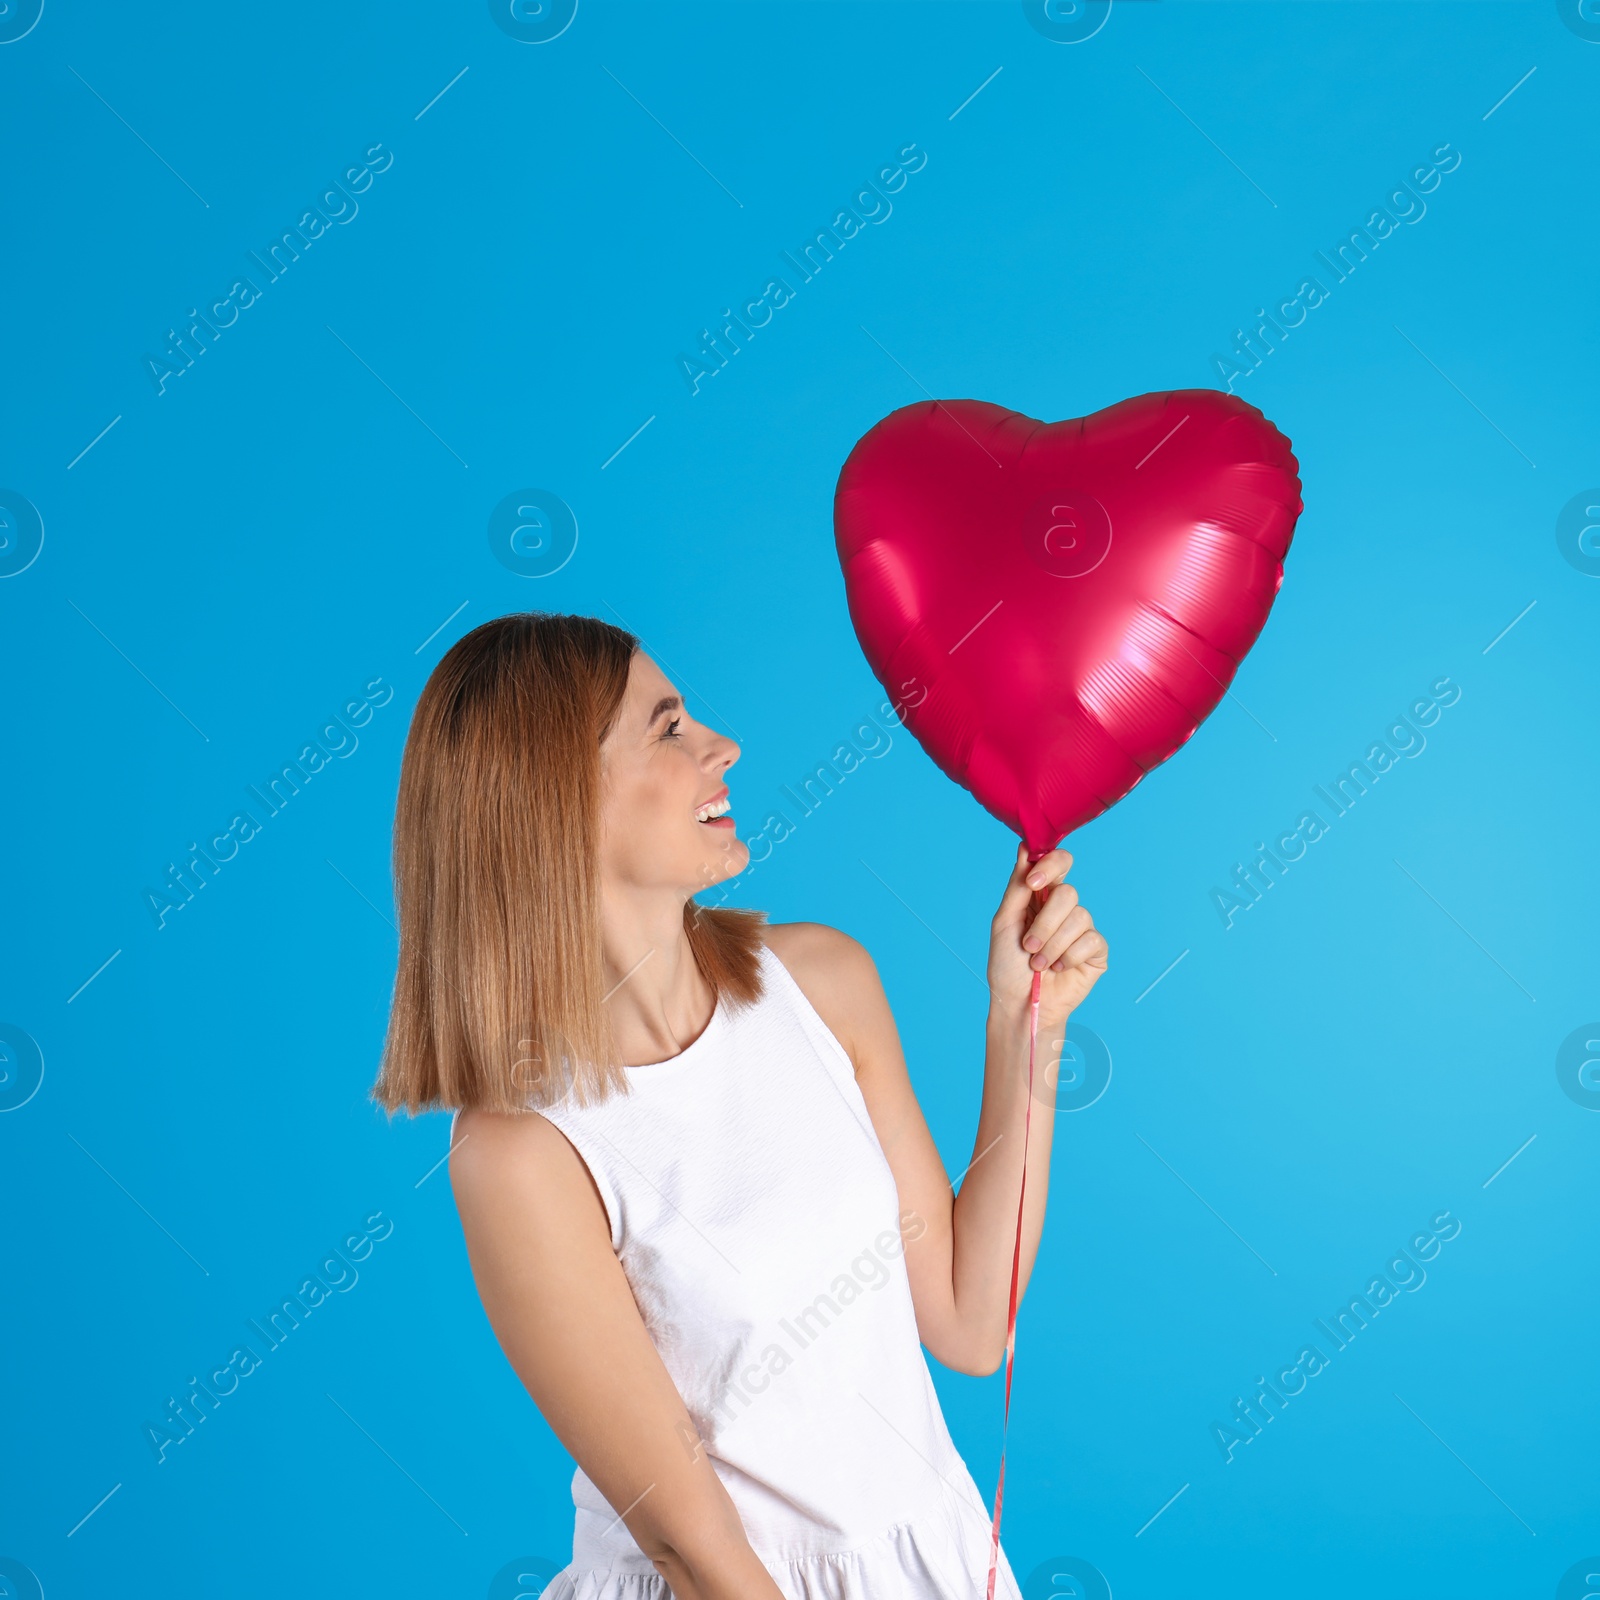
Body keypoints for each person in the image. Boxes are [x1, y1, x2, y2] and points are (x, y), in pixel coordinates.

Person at [373, 612, 1108, 1599]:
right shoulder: (523, 1150)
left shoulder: (819, 981)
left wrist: (1027, 1023)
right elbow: (694, 1547)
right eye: (667, 728)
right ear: (551, 796)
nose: (724, 745)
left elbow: (972, 1323)